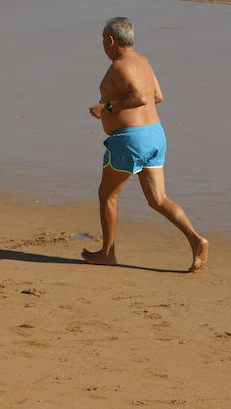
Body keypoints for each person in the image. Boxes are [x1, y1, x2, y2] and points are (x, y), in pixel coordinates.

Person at [84, 17, 209, 272]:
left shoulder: (120, 66)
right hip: (155, 135)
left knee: (107, 195)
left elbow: (140, 97)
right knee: (158, 199)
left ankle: (107, 254)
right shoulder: (143, 62)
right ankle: (197, 240)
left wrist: (107, 107)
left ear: (110, 40)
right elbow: (157, 96)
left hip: (131, 140)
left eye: (102, 39)